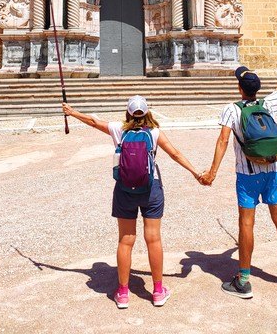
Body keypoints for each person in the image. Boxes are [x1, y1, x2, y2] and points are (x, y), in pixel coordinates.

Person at [62, 95, 202, 309]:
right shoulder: (154, 133)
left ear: (128, 113)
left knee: (125, 240)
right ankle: (157, 291)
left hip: (124, 190)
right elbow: (175, 153)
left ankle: (123, 293)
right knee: (153, 239)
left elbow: (93, 121)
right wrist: (196, 173)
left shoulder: (119, 130)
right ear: (147, 112)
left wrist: (72, 112)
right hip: (151, 188)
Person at [200, 49, 277, 298]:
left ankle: (244, 280)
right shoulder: (268, 104)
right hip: (273, 171)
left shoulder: (232, 109)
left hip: (247, 175)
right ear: (257, 89)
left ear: (240, 89)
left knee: (246, 223)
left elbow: (222, 141)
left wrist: (212, 173)